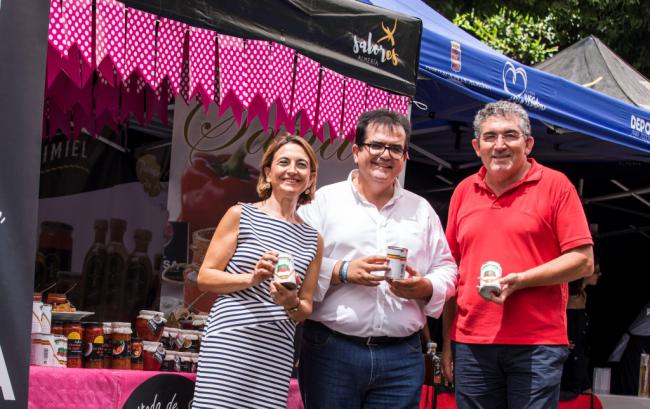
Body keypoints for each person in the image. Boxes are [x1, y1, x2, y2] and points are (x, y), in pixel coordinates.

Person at [297, 108, 458, 409]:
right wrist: (342, 270)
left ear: (405, 157)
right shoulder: (323, 202)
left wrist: (425, 286)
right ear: (357, 151)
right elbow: (295, 261)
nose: (385, 155)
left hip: (401, 357)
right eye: (376, 145)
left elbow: (447, 268)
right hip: (332, 350)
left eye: (396, 148)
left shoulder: (421, 210)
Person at [442, 100, 594, 409]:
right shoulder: (463, 191)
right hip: (471, 343)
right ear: (476, 146)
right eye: (490, 137)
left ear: (528, 143)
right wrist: (447, 343)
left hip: (536, 343)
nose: (499, 145)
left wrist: (522, 280)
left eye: (510, 135)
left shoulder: (556, 186)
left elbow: (582, 260)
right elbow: (451, 270)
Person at [192, 134, 323, 409]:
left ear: (310, 178)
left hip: (276, 346)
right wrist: (251, 278)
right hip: (230, 338)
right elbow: (205, 277)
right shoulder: (241, 215)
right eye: (283, 162)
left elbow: (306, 307)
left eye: (301, 165)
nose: (292, 170)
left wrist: (291, 302)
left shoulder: (313, 239)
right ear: (268, 172)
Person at [561, 258, 601, 396]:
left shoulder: (583, 295)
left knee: (585, 394)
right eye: (596, 271)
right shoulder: (569, 296)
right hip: (569, 355)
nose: (599, 274)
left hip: (580, 352)